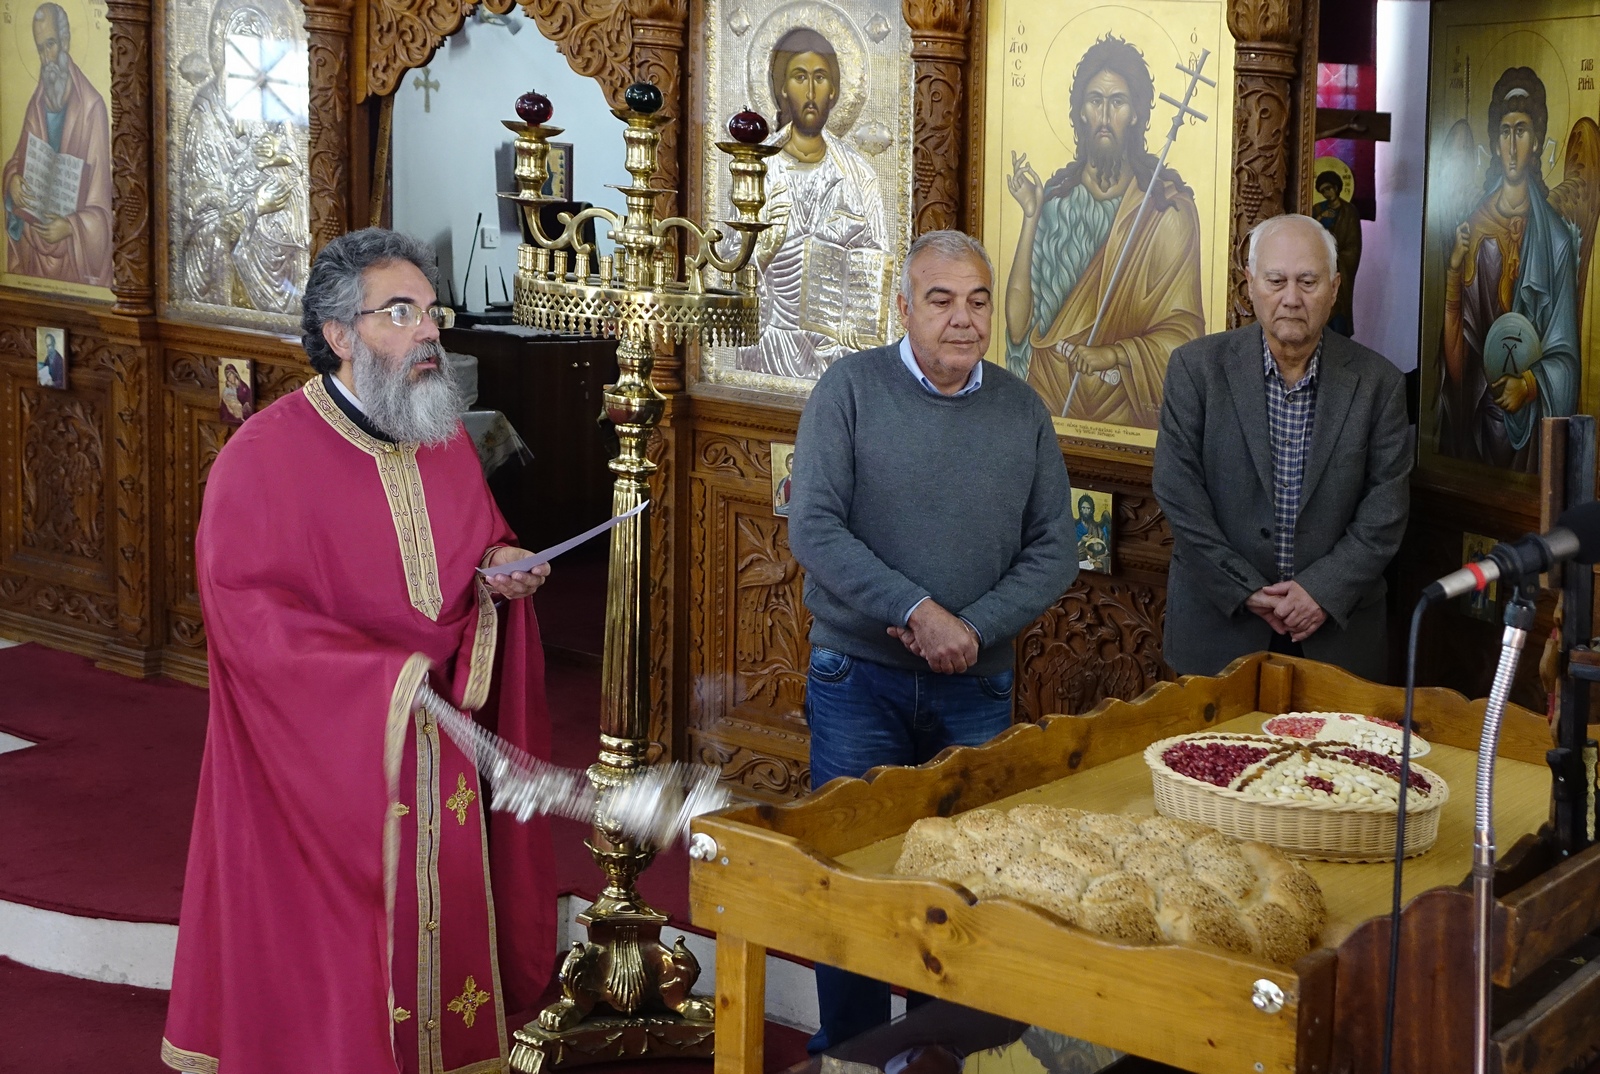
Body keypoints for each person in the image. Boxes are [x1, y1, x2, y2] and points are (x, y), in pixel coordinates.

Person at [163, 229, 557, 1074]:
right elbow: (247, 621)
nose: (428, 334)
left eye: (433, 313)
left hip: (440, 752)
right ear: (341, 334)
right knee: (339, 979)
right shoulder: (260, 460)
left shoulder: (443, 437)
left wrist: (500, 572)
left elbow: (475, 547)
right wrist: (387, 681)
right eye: (401, 313)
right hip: (322, 771)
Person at [787, 229, 1077, 1050]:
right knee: (852, 872)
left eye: (978, 301)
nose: (962, 318)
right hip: (859, 679)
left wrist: (973, 628)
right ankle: (849, 1056)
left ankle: (944, 1055)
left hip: (976, 686)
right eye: (942, 300)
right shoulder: (848, 390)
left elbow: (1055, 547)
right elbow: (813, 526)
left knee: (967, 881)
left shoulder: (1021, 409)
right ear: (904, 308)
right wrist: (917, 610)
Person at [1153, 214, 1410, 682]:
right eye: (1276, 280)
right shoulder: (1196, 370)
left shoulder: (1380, 384)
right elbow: (1178, 494)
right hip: (1218, 630)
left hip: (1337, 637)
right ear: (1250, 284)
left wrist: (1321, 592)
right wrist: (1246, 589)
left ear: (1334, 288)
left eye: (1308, 281)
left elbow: (1385, 511)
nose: (1292, 298)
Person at [1005, 34, 1204, 426]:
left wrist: (1114, 354)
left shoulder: (1166, 211)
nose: (1105, 115)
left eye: (1118, 102)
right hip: (1049, 403)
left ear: (1135, 114)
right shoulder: (1054, 203)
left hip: (1127, 412)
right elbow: (1016, 328)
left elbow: (1184, 338)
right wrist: (1031, 216)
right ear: (1081, 112)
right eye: (1095, 100)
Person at [1438, 67, 1580, 472]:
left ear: (1537, 142)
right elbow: (1457, 362)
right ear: (1495, 142)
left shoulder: (1555, 239)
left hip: (1532, 430)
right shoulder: (1474, 227)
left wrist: (1531, 385)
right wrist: (1452, 277)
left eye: (1522, 130)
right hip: (1481, 423)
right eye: (1505, 131)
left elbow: (1567, 357)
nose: (1513, 145)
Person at [736, 26, 890, 380]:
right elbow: (728, 267)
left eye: (820, 78)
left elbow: (877, 268)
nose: (809, 91)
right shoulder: (756, 168)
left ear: (834, 90)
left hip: (837, 353)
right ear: (781, 90)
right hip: (770, 344)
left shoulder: (857, 173)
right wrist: (762, 251)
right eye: (799, 77)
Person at [1, 3, 114, 287]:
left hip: (72, 255)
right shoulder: (37, 103)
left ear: (65, 41)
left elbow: (103, 206)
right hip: (34, 243)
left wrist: (71, 227)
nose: (46, 58)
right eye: (40, 49)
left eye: (51, 45)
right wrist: (12, 181)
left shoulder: (92, 108)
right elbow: (18, 160)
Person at [1311, 170, 1361, 337]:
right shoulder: (1317, 209)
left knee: (1339, 312)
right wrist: (1319, 218)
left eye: (1329, 189)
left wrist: (1338, 259)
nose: (1327, 193)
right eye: (1323, 190)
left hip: (1341, 268)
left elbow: (1354, 245)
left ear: (1337, 188)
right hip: (1318, 267)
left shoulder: (1349, 211)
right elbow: (1307, 234)